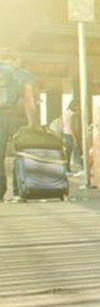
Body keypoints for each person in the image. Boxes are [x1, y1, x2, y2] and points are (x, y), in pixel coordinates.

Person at [0, 51, 38, 202]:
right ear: (16, 60)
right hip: (17, 118)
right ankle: (19, 190)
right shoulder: (23, 74)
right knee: (21, 155)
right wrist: (31, 124)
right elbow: (29, 100)